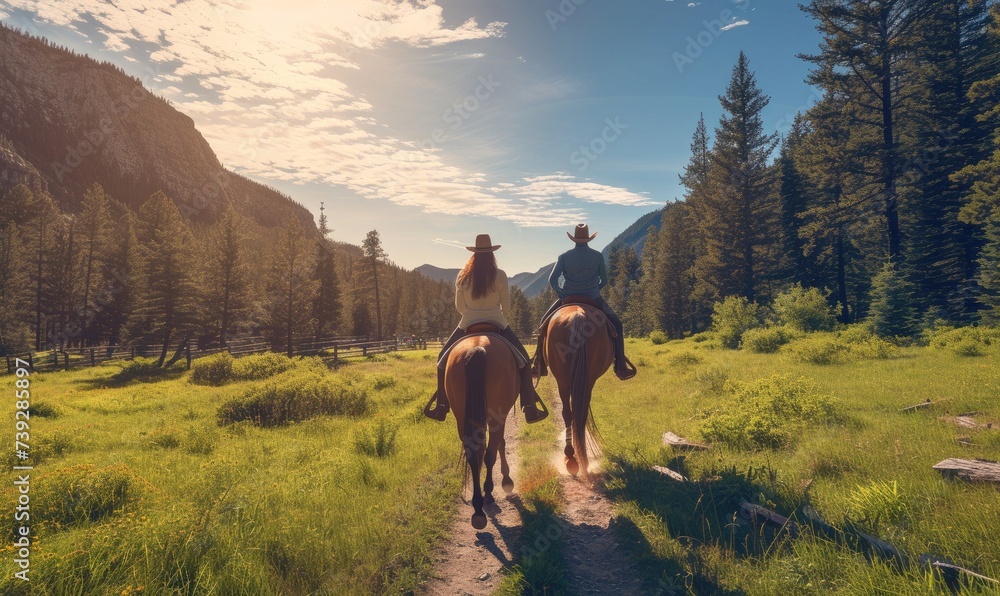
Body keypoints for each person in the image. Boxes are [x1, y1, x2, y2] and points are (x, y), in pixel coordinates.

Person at [423, 234, 548, 423]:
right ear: (491, 253)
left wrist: (472, 315)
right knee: (523, 359)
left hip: (467, 323)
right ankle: (529, 406)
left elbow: (459, 307)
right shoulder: (500, 275)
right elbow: (506, 306)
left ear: (473, 253)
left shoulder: (463, 276)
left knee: (442, 360)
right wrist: (498, 315)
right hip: (497, 321)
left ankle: (441, 405)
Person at [537, 224, 636, 380]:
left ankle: (539, 364)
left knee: (543, 324)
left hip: (568, 297)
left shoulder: (564, 256)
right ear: (588, 239)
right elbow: (604, 279)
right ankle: (620, 366)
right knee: (617, 325)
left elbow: (552, 279)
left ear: (574, 239)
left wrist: (562, 293)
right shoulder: (597, 256)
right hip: (593, 297)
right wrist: (595, 289)